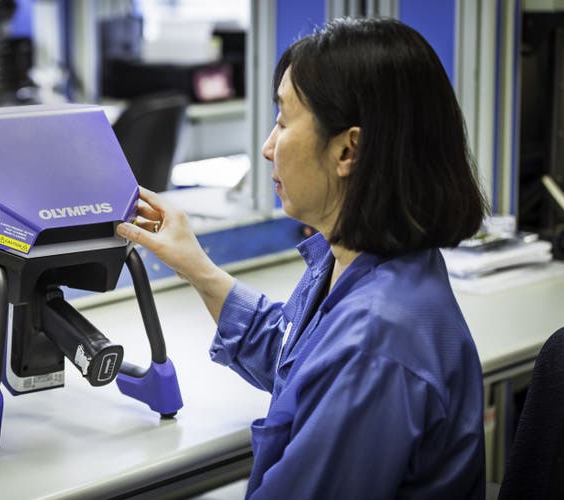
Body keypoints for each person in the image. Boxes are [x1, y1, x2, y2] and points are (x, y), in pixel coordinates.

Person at [116, 17, 487, 499]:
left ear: (347, 149)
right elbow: (299, 360)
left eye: (283, 120)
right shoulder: (368, 263)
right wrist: (198, 267)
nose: (269, 148)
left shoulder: (374, 347)